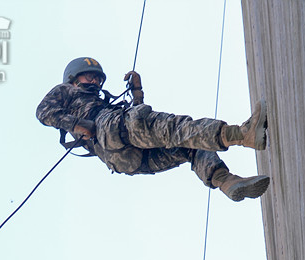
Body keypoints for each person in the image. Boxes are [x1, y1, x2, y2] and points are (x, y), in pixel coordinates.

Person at [36, 57, 271, 202]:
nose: (96, 82)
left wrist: (137, 91)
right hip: (108, 133)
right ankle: (242, 135)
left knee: (188, 146)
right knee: (175, 129)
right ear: (74, 78)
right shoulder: (66, 90)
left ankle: (227, 182)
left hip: (126, 159)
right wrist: (75, 125)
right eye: (90, 76)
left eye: (98, 79)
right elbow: (43, 112)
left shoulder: (100, 101)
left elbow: (138, 131)